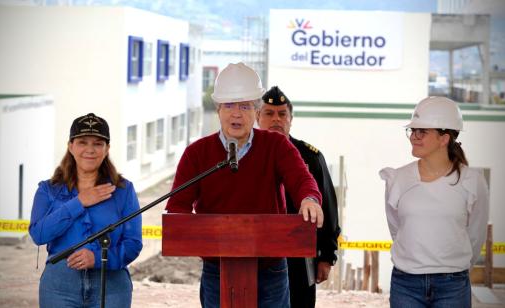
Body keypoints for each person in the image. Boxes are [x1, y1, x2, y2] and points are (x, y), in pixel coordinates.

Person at [166, 62, 324, 308]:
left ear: (256, 111)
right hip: (217, 271)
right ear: (218, 109)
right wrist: (189, 232)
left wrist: (309, 199)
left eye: (244, 106)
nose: (236, 113)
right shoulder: (197, 153)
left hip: (271, 271)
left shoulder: (276, 145)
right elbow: (178, 207)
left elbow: (303, 180)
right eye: (229, 105)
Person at [379, 97, 489, 308]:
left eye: (422, 131)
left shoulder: (472, 181)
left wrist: (453, 266)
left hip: (453, 286)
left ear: (444, 138)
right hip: (405, 283)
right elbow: (397, 230)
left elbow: (476, 235)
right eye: (412, 131)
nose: (414, 137)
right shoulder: (397, 179)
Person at [29, 113, 143, 308]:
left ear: (107, 149)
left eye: (98, 143)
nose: (90, 150)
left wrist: (97, 258)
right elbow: (39, 235)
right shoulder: (48, 190)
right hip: (59, 286)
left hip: (112, 286)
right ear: (71, 146)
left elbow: (133, 244)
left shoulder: (123, 190)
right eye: (83, 142)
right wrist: (79, 202)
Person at [257, 86, 341, 308]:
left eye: (282, 114)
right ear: (257, 117)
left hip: (299, 256)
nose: (276, 119)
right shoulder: (246, 155)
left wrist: (326, 256)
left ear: (291, 119)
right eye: (269, 113)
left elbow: (329, 209)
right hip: (256, 253)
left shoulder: (310, 157)